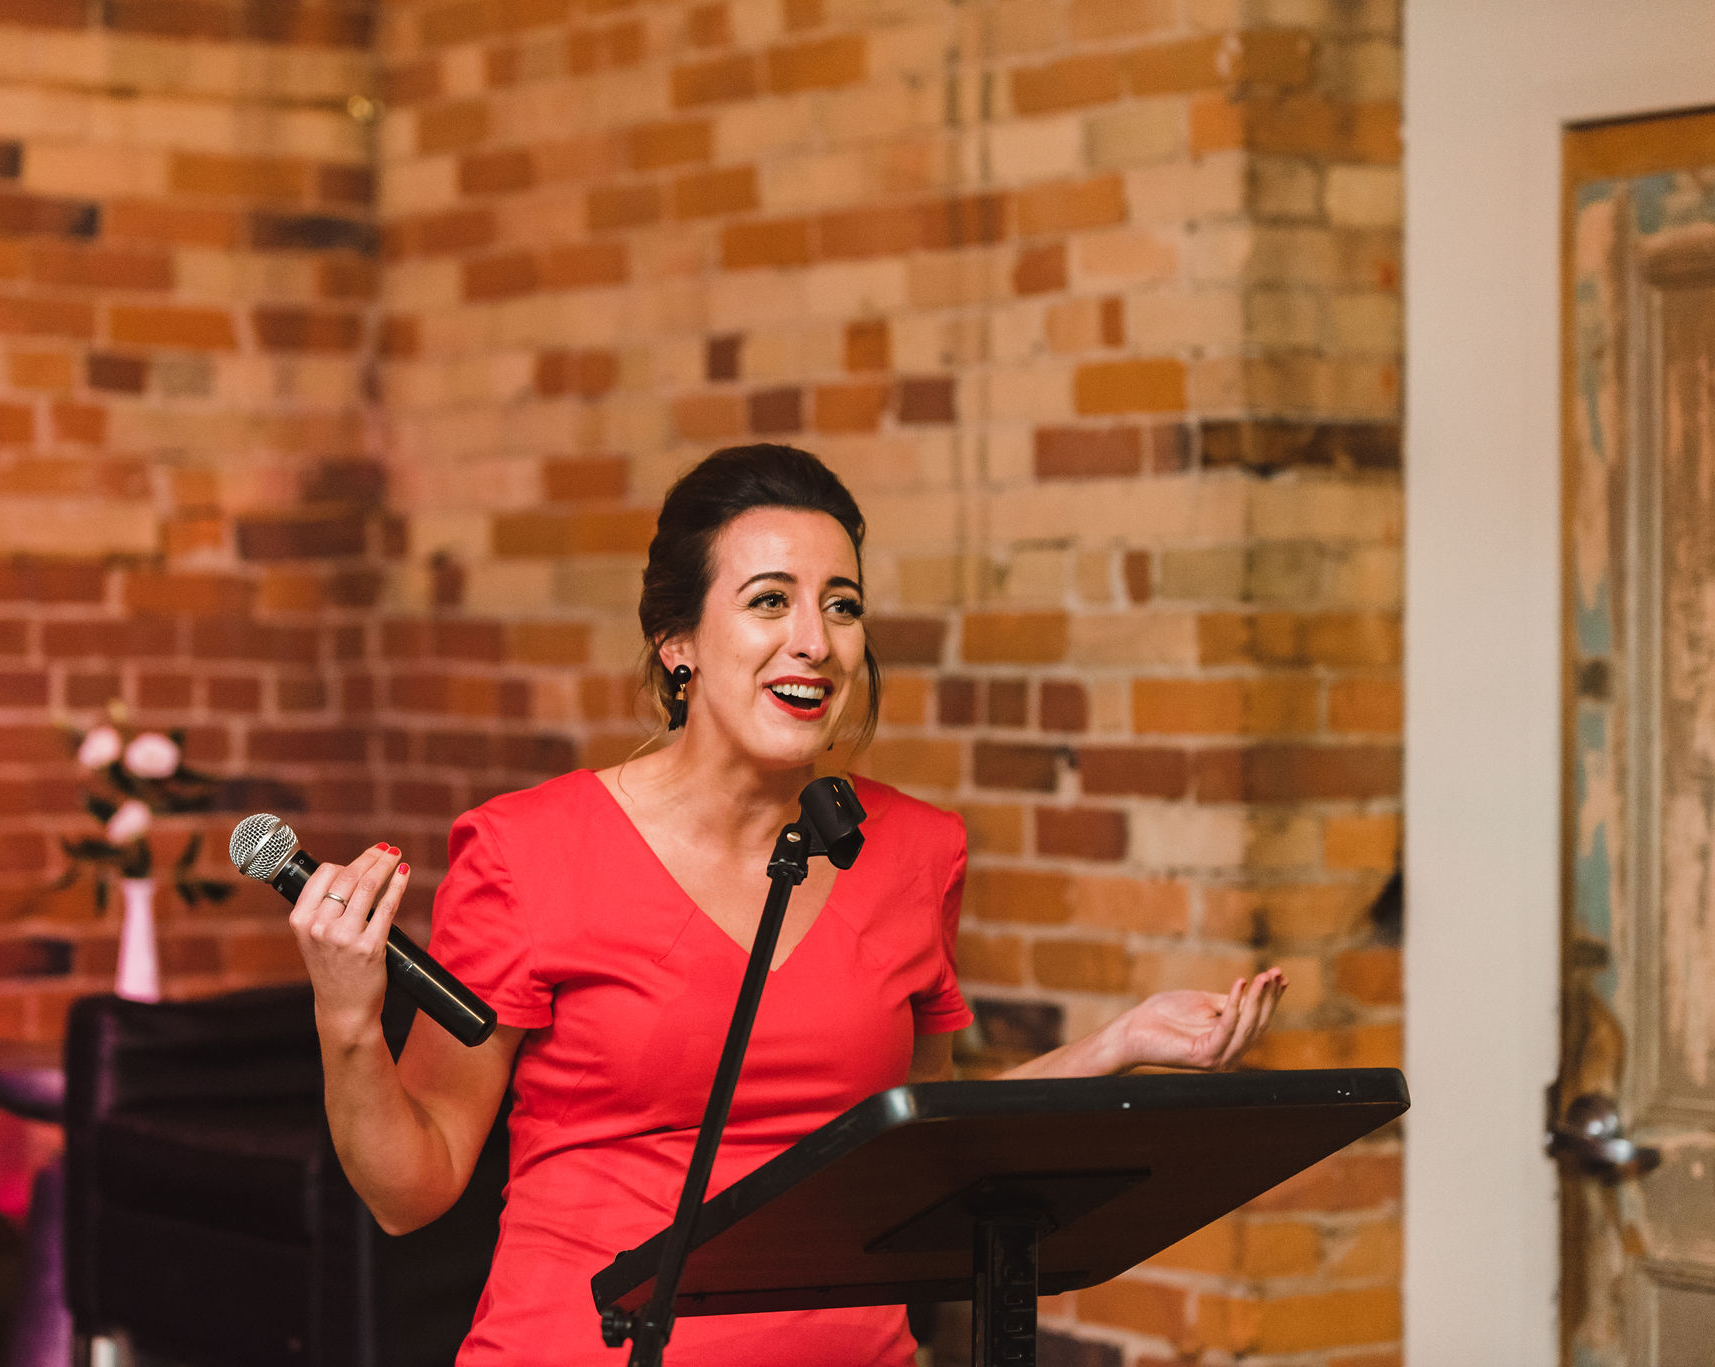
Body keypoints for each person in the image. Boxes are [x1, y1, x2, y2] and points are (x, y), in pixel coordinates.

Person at [287, 444, 1285, 1366]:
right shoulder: (528, 850)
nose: (813, 640)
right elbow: (410, 1188)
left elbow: (927, 1135)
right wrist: (346, 1017)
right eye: (769, 600)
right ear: (677, 640)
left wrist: (1114, 1045)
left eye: (841, 605)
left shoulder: (911, 850)